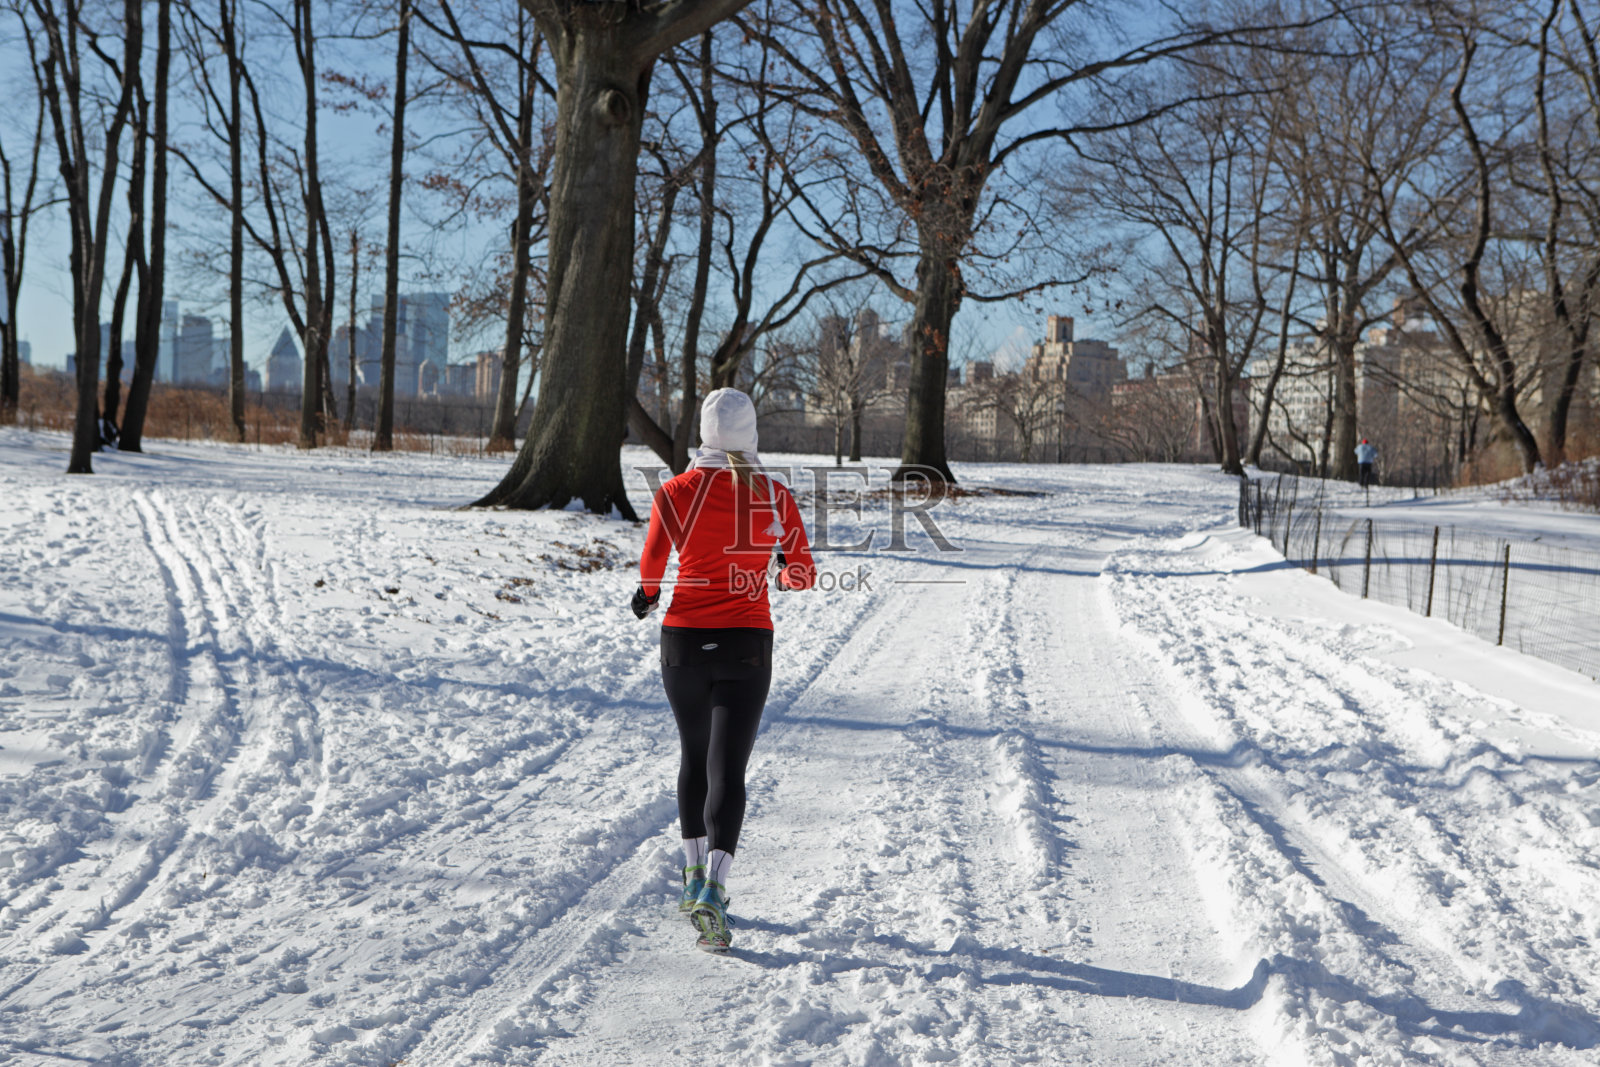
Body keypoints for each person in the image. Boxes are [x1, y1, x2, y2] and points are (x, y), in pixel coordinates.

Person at [632, 388, 816, 952]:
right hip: (746, 643)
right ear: (751, 434)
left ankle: (690, 876)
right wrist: (777, 572)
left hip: (683, 642)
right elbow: (803, 574)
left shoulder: (674, 491)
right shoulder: (773, 495)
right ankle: (714, 887)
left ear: (705, 435)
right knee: (728, 769)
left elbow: (652, 564)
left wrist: (647, 596)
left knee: (693, 757)